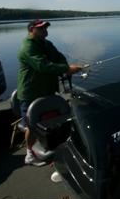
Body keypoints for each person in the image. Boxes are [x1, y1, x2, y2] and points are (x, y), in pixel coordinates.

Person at [17, 19, 82, 166]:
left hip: (48, 90)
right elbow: (42, 66)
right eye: (41, 28)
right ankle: (29, 154)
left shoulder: (47, 44)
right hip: (30, 92)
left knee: (54, 121)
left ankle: (53, 149)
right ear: (32, 29)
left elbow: (59, 57)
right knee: (31, 125)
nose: (45, 30)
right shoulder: (27, 47)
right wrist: (66, 69)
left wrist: (65, 67)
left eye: (46, 27)